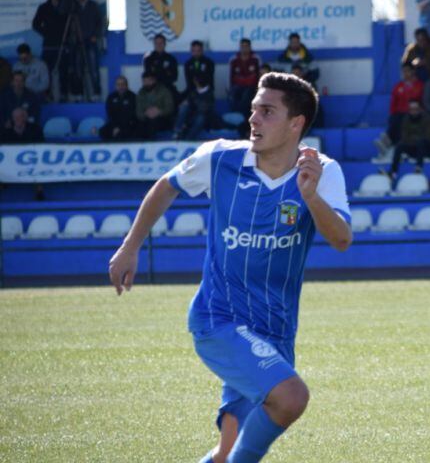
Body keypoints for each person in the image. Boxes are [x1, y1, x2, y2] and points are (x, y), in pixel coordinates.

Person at [109, 72, 352, 462]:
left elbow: (341, 240)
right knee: (291, 397)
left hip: (276, 330)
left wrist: (310, 196)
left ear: (296, 124)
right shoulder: (220, 157)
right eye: (254, 109)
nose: (253, 119)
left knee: (226, 452)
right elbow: (167, 185)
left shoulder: (322, 172)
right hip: (218, 319)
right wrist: (130, 246)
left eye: (267, 111)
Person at [64, 0, 103, 100]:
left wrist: (96, 35)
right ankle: (78, 94)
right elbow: (61, 11)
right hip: (75, 42)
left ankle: (96, 93)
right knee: (77, 69)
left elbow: (100, 23)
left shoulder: (93, 5)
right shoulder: (72, 5)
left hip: (90, 41)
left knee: (93, 69)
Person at [377, 63, 424, 154]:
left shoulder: (419, 85)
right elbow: (393, 104)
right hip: (400, 114)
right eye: (403, 72)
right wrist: (393, 114)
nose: (405, 74)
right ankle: (389, 142)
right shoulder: (398, 87)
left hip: (415, 113)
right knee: (395, 118)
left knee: (402, 119)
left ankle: (390, 142)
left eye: (407, 71)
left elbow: (421, 101)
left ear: (412, 72)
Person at [386, 99, 430, 178]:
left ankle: (419, 168)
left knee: (421, 142)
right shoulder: (406, 119)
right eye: (411, 109)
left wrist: (414, 138)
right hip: (414, 148)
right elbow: (404, 137)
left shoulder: (428, 119)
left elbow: (429, 136)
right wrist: (415, 139)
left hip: (428, 149)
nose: (413, 111)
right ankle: (393, 172)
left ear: (420, 109)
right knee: (399, 146)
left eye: (416, 109)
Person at [32, 0, 67, 101]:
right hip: (48, 45)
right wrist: (46, 33)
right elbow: (35, 24)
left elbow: (72, 24)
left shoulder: (66, 6)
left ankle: (63, 95)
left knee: (63, 71)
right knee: (47, 71)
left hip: (63, 44)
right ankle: (47, 95)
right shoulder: (43, 7)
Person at [174, 75, 218, 139]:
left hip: (204, 117)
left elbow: (204, 109)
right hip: (192, 115)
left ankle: (189, 138)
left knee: (200, 118)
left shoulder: (209, 94)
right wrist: (185, 104)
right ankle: (177, 131)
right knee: (183, 108)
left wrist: (191, 103)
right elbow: (188, 101)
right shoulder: (193, 92)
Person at [136, 72, 174, 139]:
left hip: (162, 118)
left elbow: (169, 108)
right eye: (144, 81)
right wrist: (146, 114)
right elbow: (138, 111)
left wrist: (159, 112)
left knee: (153, 123)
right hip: (145, 118)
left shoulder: (164, 91)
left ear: (154, 80)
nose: (146, 83)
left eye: (149, 81)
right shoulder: (140, 93)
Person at [100, 75, 138, 142]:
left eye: (123, 84)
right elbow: (110, 114)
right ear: (116, 86)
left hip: (128, 124)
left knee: (122, 134)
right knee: (102, 131)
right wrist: (115, 127)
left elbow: (131, 115)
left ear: (126, 85)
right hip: (114, 124)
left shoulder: (133, 97)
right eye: (118, 84)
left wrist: (120, 128)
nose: (121, 86)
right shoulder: (111, 97)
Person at [229, 38, 261, 117]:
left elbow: (257, 76)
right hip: (238, 86)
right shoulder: (234, 59)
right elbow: (232, 77)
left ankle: (245, 119)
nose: (244, 48)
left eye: (246, 46)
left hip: (252, 87)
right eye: (242, 46)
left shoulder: (256, 58)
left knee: (246, 95)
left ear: (250, 47)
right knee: (233, 94)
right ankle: (236, 119)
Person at [143, 34, 179, 102]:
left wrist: (158, 73)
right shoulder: (148, 59)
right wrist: (164, 73)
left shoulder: (171, 59)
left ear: (165, 44)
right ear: (154, 44)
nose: (159, 45)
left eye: (161, 43)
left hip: (167, 88)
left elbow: (175, 77)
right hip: (152, 89)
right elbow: (148, 77)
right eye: (157, 43)